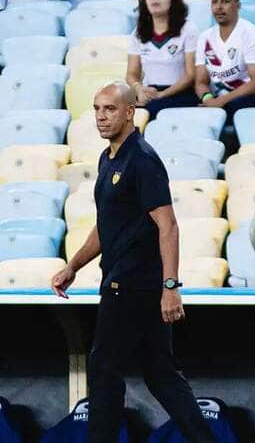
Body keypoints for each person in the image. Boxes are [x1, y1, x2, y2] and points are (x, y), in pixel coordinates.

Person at [51, 82, 215, 443]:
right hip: (129, 280)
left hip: (132, 284)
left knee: (103, 370)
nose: (100, 116)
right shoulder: (108, 157)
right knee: (160, 373)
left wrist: (171, 287)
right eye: (96, 108)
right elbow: (106, 224)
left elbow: (168, 225)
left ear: (130, 112)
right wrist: (73, 266)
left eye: (109, 109)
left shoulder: (142, 159)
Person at [194, 0, 255, 117]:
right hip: (221, 98)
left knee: (224, 111)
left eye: (225, 1)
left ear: (238, 6)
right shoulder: (204, 38)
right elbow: (200, 81)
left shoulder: (252, 34)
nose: (219, 7)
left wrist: (220, 102)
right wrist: (208, 99)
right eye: (214, 2)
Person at [127, 0, 201, 117]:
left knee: (151, 109)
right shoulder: (137, 33)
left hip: (181, 92)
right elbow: (131, 74)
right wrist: (139, 89)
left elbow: (191, 75)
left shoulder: (188, 29)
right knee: (122, 111)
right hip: (150, 92)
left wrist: (161, 95)